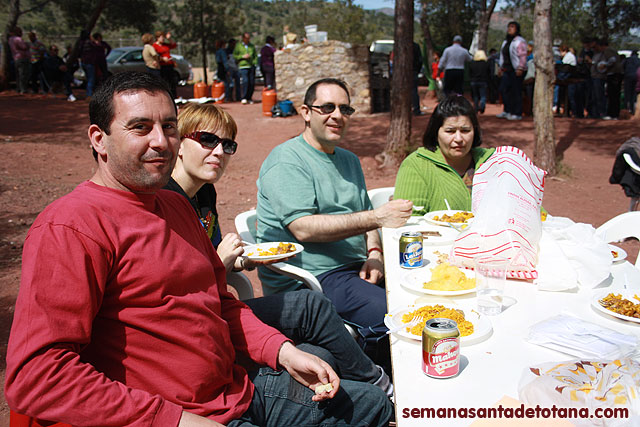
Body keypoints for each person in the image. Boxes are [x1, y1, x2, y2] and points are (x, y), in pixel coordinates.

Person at [4, 71, 392, 427]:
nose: (160, 140)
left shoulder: (175, 205)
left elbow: (221, 304)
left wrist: (281, 350)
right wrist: (172, 420)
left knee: (372, 404)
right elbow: (37, 376)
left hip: (234, 388)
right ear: (98, 139)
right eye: (140, 127)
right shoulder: (72, 227)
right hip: (182, 413)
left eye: (168, 126)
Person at [256, 78, 412, 367]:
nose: (337, 115)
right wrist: (378, 216)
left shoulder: (349, 160)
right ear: (305, 112)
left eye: (344, 108)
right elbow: (302, 227)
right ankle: (382, 386)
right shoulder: (287, 161)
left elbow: (364, 217)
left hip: (355, 268)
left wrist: (374, 254)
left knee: (421, 292)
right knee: (395, 314)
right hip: (313, 277)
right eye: (327, 107)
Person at [393, 95, 495, 215]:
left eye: (465, 130)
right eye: (450, 131)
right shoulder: (416, 165)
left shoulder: (491, 162)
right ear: (436, 133)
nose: (458, 138)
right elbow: (409, 220)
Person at [496, 21, 527, 121]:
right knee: (504, 89)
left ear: (517, 29)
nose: (509, 29)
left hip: (516, 70)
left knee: (516, 91)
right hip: (506, 69)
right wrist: (501, 68)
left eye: (512, 27)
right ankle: (507, 110)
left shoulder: (519, 41)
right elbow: (502, 56)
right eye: (509, 27)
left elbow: (522, 55)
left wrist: (520, 68)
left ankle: (517, 112)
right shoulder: (506, 42)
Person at [233, 32, 257, 104]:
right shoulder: (238, 46)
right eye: (246, 38)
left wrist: (254, 63)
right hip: (243, 66)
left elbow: (255, 55)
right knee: (245, 81)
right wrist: (242, 57)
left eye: (249, 38)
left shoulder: (251, 46)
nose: (248, 39)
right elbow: (235, 55)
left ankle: (249, 97)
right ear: (243, 38)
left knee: (251, 82)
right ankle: (244, 97)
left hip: (251, 66)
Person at [153, 30, 178, 98]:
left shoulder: (165, 45)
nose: (163, 39)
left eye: (164, 38)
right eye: (161, 37)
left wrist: (169, 39)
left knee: (171, 82)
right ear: (157, 38)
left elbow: (174, 45)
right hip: (162, 66)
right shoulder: (154, 46)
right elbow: (155, 56)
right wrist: (161, 59)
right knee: (164, 81)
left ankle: (173, 96)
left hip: (169, 65)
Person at [8, 27, 31, 94]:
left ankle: (18, 88)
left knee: (18, 74)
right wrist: (27, 45)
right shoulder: (18, 39)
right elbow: (24, 47)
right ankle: (23, 89)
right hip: (22, 58)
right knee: (23, 74)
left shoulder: (10, 39)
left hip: (15, 58)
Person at [469, 49, 490, 114]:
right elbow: (488, 73)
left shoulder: (472, 63)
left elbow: (470, 72)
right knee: (483, 95)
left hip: (474, 81)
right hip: (483, 81)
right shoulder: (486, 64)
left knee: (475, 96)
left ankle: (476, 108)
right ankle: (482, 106)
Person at [624, 50, 640, 115]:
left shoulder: (627, 60)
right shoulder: (639, 60)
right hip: (636, 78)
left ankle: (626, 109)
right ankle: (633, 110)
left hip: (628, 77)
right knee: (634, 94)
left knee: (627, 93)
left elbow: (623, 66)